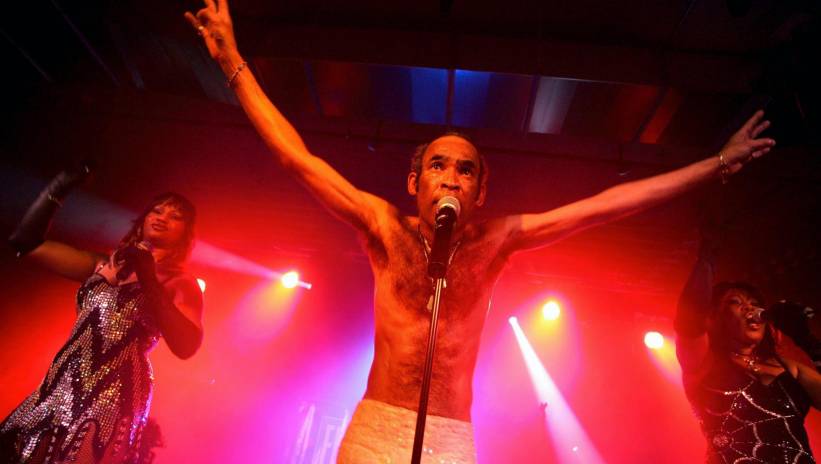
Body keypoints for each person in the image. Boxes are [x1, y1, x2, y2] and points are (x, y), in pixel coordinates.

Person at [185, 1, 777, 461]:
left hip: (451, 437)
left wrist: (716, 163)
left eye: (466, 170)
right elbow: (296, 158)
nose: (451, 177)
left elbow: (605, 206)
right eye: (438, 165)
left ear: (481, 192)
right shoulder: (382, 224)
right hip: (378, 427)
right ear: (414, 180)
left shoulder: (497, 240)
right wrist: (231, 60)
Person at [0, 167, 204, 464]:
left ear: (185, 233)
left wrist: (147, 274)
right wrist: (59, 187)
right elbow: (26, 243)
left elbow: (186, 345)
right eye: (157, 211)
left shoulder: (181, 283)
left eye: (175, 216)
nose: (162, 217)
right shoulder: (102, 265)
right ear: (143, 220)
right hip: (62, 382)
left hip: (115, 392)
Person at [674, 236, 821, 463]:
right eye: (736, 302)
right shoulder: (703, 362)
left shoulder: (787, 367)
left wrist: (807, 340)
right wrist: (706, 260)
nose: (750, 308)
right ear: (714, 317)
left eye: (755, 303)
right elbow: (689, 321)